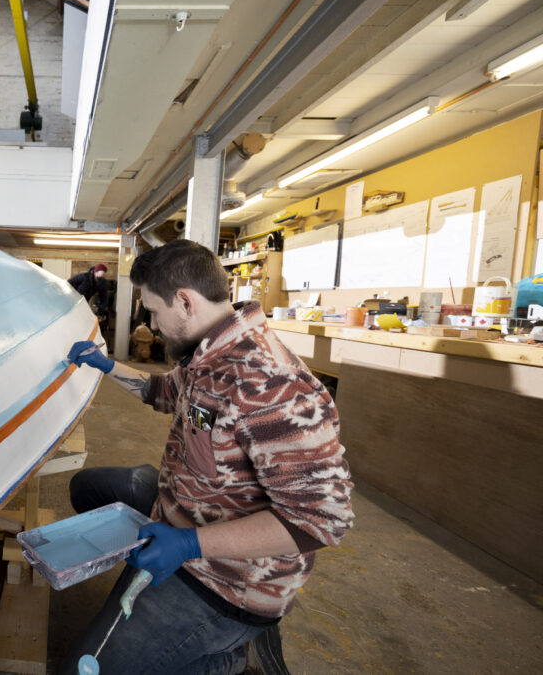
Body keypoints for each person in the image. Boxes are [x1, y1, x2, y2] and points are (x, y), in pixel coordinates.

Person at [63, 239, 354, 674]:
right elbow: (165, 392)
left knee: (81, 672)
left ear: (185, 302)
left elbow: (323, 519)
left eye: (154, 313)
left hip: (228, 579)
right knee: (89, 489)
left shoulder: (269, 383)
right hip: (185, 507)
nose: (153, 327)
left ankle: (224, 655)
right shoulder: (210, 355)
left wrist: (188, 544)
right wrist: (108, 366)